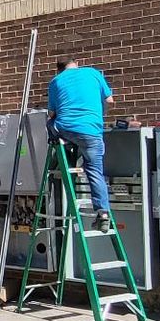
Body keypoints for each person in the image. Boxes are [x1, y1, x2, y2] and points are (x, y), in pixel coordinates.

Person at [45, 57, 115, 229]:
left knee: (49, 123)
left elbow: (51, 113)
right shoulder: (93, 73)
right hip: (92, 132)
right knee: (95, 172)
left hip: (66, 129)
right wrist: (98, 117)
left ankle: (61, 161)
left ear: (59, 69)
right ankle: (103, 212)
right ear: (76, 63)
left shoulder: (56, 81)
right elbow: (109, 101)